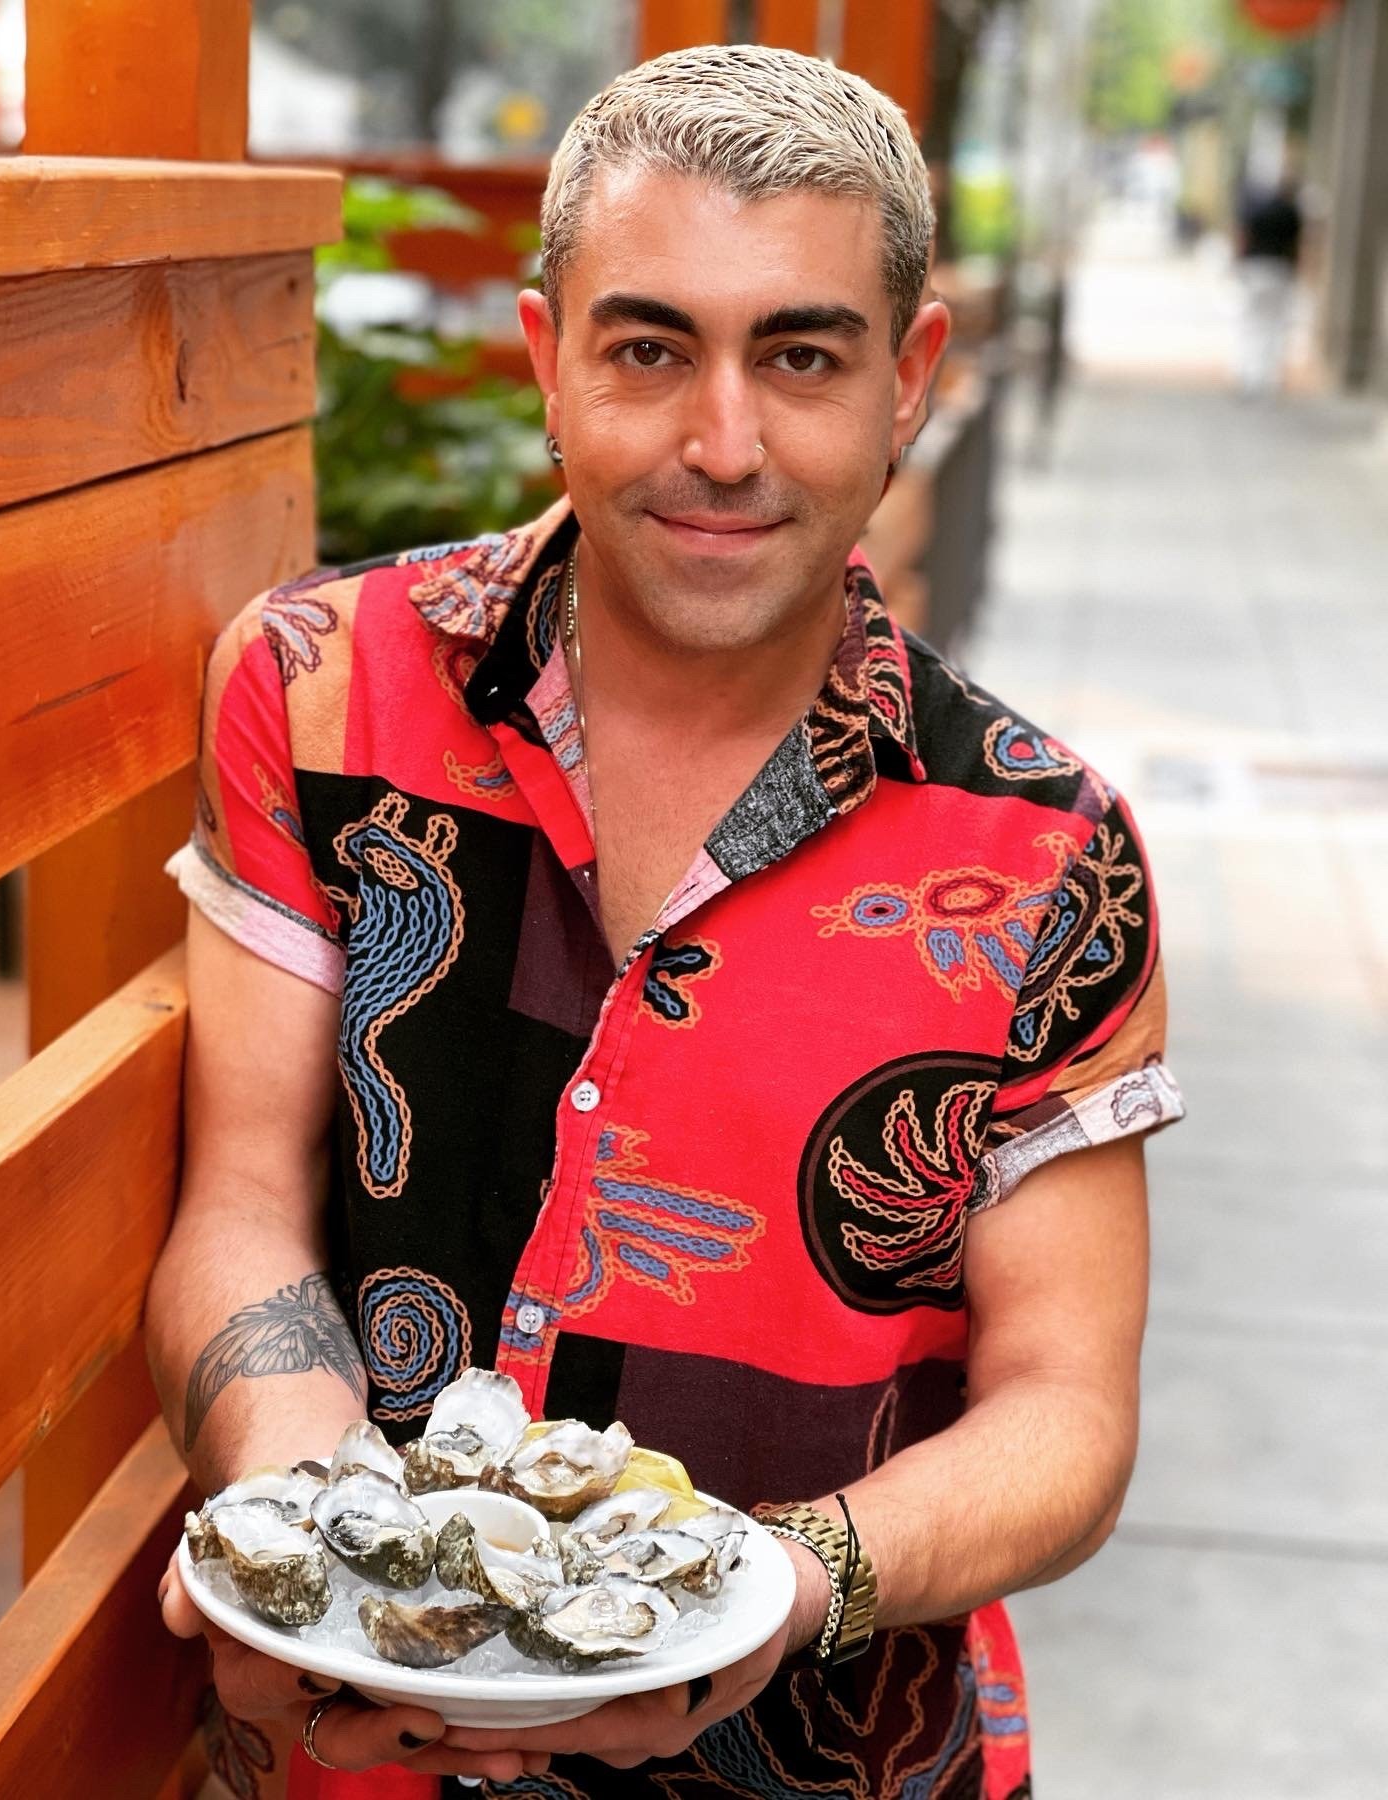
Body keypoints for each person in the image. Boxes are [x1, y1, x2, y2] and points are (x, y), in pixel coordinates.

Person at [152, 44, 1183, 1800]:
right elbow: (242, 1202)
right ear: (550, 362)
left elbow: (1067, 1416)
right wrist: (308, 1530)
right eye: (649, 349)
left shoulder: (1047, 849)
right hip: (347, 1763)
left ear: (910, 380)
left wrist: (786, 1589)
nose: (723, 446)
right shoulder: (321, 690)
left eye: (800, 356)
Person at [1234, 175, 1303, 398]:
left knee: (1252, 325)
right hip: (1280, 270)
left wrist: (1239, 263)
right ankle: (1270, 382)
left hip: (1255, 269)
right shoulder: (1292, 214)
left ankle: (1249, 376)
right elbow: (1299, 245)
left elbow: (1243, 237)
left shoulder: (1257, 211)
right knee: (1276, 327)